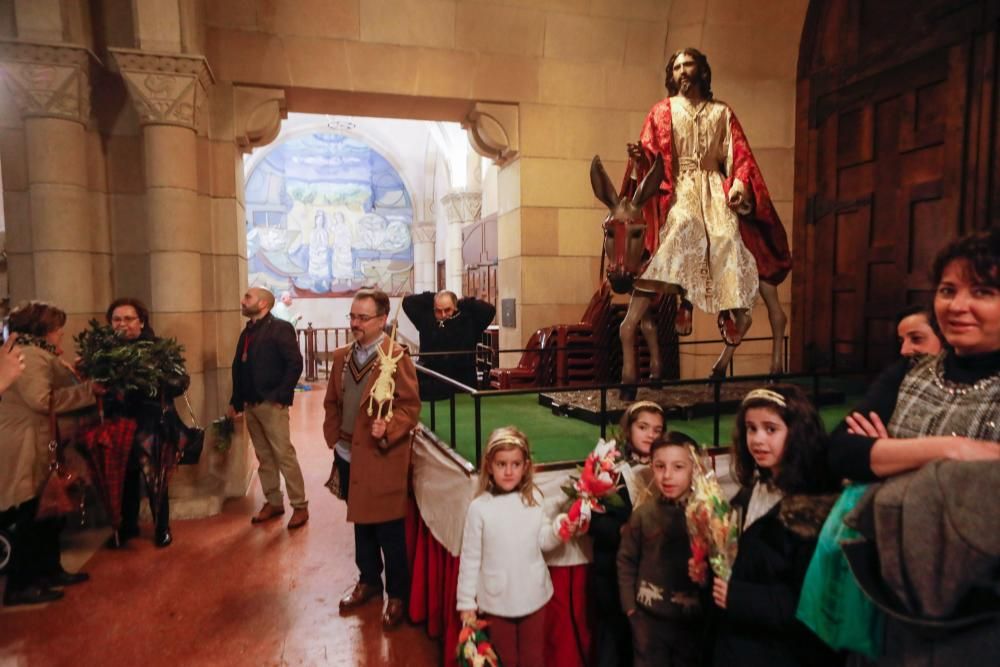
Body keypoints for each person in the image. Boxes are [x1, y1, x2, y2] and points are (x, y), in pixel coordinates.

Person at [830, 227, 1000, 664]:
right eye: (948, 290)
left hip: (980, 615)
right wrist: (952, 450)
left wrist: (886, 457)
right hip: (889, 599)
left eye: (982, 291)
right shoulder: (911, 373)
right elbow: (837, 452)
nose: (958, 305)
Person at [627, 48, 790, 344]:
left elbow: (739, 155)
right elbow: (653, 159)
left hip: (714, 186)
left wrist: (739, 184)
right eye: (676, 67)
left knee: (727, 235)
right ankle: (685, 305)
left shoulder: (721, 112)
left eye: (688, 65)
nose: (682, 71)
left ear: (701, 70)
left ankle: (726, 310)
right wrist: (640, 159)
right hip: (679, 187)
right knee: (684, 226)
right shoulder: (662, 111)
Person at [711, 385, 842, 667]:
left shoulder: (813, 506)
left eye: (771, 429)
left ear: (797, 433)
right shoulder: (751, 491)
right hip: (740, 644)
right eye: (751, 428)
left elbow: (813, 601)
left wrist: (739, 597)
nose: (757, 440)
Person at [323, 288, 421, 630]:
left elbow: (410, 408)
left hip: (382, 457)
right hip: (348, 453)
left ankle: (397, 594)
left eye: (362, 318)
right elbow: (333, 401)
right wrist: (334, 437)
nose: (355, 324)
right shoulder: (342, 357)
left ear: (382, 320)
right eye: (352, 316)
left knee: (389, 529)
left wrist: (389, 427)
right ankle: (368, 581)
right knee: (361, 523)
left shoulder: (396, 357)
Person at [0, 301, 98, 606]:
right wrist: (88, 391)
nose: (61, 333)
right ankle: (21, 584)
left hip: (39, 439)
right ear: (44, 329)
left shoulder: (36, 352)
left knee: (48, 511)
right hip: (24, 442)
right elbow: (41, 400)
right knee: (30, 512)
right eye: (58, 328)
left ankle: (48, 571)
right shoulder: (28, 355)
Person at [456, 426, 563, 667]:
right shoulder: (479, 508)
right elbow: (470, 558)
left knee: (533, 659)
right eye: (501, 464)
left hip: (534, 595)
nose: (508, 471)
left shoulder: (534, 499)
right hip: (497, 598)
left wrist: (559, 531)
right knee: (505, 658)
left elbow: (544, 540)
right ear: (490, 466)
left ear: (525, 466)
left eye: (515, 464)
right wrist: (466, 603)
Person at [104, 298, 190, 549]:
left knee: (156, 478)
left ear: (141, 322)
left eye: (129, 319)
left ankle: (162, 527)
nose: (123, 324)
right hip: (119, 423)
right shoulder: (104, 352)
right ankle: (128, 526)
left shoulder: (158, 349)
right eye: (117, 319)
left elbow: (181, 380)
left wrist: (159, 381)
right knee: (125, 478)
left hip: (152, 423)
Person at [588, 400, 665, 667]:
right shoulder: (609, 468)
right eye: (643, 427)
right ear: (628, 428)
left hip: (654, 578)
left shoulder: (666, 468)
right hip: (612, 575)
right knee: (614, 645)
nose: (650, 435)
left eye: (657, 429)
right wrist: (623, 531)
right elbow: (593, 521)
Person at [618, 431, 704, 667]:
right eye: (659, 466)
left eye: (678, 467)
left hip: (692, 625)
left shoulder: (707, 517)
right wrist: (631, 610)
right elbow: (626, 560)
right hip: (648, 622)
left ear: (694, 468)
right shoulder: (644, 515)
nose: (667, 476)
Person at [227, 287, 308, 529]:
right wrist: (236, 400)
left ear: (263, 303)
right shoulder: (248, 330)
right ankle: (274, 501)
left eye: (248, 297)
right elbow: (239, 367)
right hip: (251, 403)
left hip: (272, 403)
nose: (242, 301)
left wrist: (281, 396)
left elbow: (295, 363)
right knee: (264, 457)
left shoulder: (280, 328)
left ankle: (300, 506)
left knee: (284, 455)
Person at [402, 290, 495, 399]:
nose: (443, 315)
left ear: (455, 307)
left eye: (447, 310)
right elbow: (407, 302)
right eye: (438, 311)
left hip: (461, 382)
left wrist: (460, 302)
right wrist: (436, 296)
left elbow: (489, 310)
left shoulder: (468, 321)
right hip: (430, 382)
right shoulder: (426, 320)